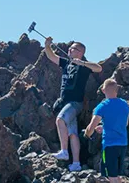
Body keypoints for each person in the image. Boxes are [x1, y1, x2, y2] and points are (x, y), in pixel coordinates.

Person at [44, 37, 103, 171]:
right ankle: (76, 163)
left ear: (80, 52)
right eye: (70, 48)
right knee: (72, 133)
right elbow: (51, 56)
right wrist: (47, 46)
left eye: (73, 48)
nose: (70, 50)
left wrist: (82, 63)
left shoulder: (84, 66)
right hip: (65, 102)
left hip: (75, 103)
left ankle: (64, 151)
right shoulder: (66, 63)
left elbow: (98, 68)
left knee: (60, 120)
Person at [84, 79, 129, 183]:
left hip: (110, 146)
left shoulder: (102, 106)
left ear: (103, 90)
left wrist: (87, 134)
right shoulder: (124, 104)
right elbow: (125, 124)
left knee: (111, 177)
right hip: (123, 144)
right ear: (116, 90)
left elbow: (91, 127)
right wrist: (105, 128)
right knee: (117, 175)